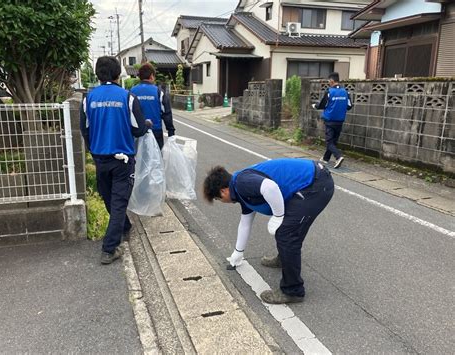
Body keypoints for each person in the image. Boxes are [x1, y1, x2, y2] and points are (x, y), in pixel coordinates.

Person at [203, 158, 334, 304]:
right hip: (312, 179)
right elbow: (245, 223)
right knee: (287, 229)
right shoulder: (240, 190)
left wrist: (278, 216)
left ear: (223, 190)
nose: (222, 202)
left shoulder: (242, 183)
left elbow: (270, 187)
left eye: (218, 198)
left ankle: (293, 290)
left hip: (315, 184)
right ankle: (284, 259)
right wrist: (238, 252)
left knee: (286, 233)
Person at [80, 56, 151, 265]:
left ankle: (126, 227)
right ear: (118, 73)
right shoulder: (127, 97)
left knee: (110, 198)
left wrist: (93, 151)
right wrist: (146, 124)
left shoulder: (88, 99)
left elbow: (84, 130)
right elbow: (138, 128)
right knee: (119, 202)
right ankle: (109, 248)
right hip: (122, 159)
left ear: (97, 74)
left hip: (100, 158)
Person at [130, 62, 175, 149]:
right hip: (155, 132)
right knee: (156, 160)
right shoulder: (159, 92)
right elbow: (166, 113)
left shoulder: (132, 91)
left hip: (136, 132)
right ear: (151, 76)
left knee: (138, 160)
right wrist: (171, 132)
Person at [312, 72, 352, 169]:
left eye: (329, 81)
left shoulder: (329, 92)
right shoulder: (345, 92)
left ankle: (338, 156)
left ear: (332, 81)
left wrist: (315, 106)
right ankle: (326, 158)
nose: (328, 83)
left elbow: (322, 105)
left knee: (329, 142)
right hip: (340, 120)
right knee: (333, 141)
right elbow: (349, 106)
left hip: (330, 120)